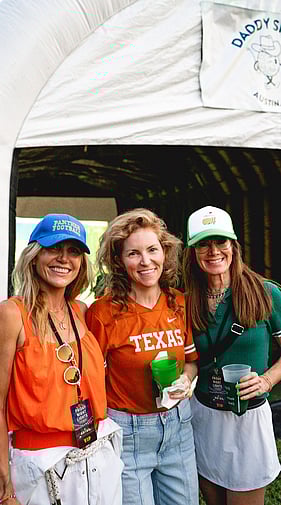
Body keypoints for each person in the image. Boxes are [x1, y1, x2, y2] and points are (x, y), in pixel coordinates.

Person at [0, 213, 123, 505]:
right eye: (54, 248)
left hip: (96, 458)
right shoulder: (12, 314)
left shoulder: (80, 310)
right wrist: (2, 469)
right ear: (33, 255)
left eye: (74, 251)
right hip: (40, 466)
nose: (64, 259)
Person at [85, 208, 199, 505]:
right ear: (119, 262)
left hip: (177, 428)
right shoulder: (103, 312)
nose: (146, 261)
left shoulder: (179, 303)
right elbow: (90, 379)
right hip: (129, 432)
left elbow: (190, 361)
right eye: (133, 253)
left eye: (152, 250)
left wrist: (186, 382)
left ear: (165, 253)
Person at [182, 205, 281, 505]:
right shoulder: (185, 300)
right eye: (203, 243)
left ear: (234, 245)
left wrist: (266, 380)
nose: (213, 251)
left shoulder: (266, 293)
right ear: (193, 251)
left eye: (220, 242)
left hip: (247, 418)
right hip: (204, 415)